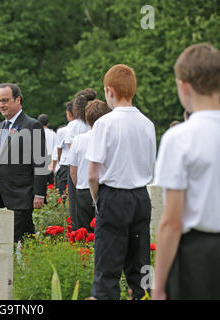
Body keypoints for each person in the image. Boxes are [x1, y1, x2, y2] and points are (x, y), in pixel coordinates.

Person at [152, 43, 220, 300]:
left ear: (184, 86)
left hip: (198, 256)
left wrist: (158, 286)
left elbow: (171, 222)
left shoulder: (179, 138)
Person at [87, 64, 156, 300]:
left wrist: (98, 201)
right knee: (140, 267)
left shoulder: (105, 124)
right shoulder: (148, 124)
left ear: (109, 91)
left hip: (113, 196)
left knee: (107, 269)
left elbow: (92, 174)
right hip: (140, 196)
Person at [0, 83, 48, 243]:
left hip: (22, 194)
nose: (1, 105)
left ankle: (17, 267)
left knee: (12, 241)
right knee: (26, 238)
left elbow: (40, 162)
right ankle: (31, 263)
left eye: (5, 100)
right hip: (4, 196)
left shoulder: (32, 125)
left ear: (18, 100)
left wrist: (39, 193)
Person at [69, 99, 111, 232]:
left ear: (87, 119)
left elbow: (73, 171)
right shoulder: (109, 138)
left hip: (83, 189)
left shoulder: (78, 140)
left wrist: (79, 185)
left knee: (84, 233)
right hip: (106, 190)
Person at [64, 89, 95, 229]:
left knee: (78, 210)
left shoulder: (73, 126)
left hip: (78, 170)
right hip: (96, 169)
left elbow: (73, 155)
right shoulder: (98, 123)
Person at [52, 100, 74, 199]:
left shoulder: (63, 130)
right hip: (79, 163)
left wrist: (58, 162)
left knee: (63, 191)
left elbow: (59, 149)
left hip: (65, 163)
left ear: (69, 114)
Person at [37, 114, 56, 186]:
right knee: (51, 184)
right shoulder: (53, 134)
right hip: (50, 160)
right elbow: (55, 149)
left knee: (40, 184)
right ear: (48, 123)